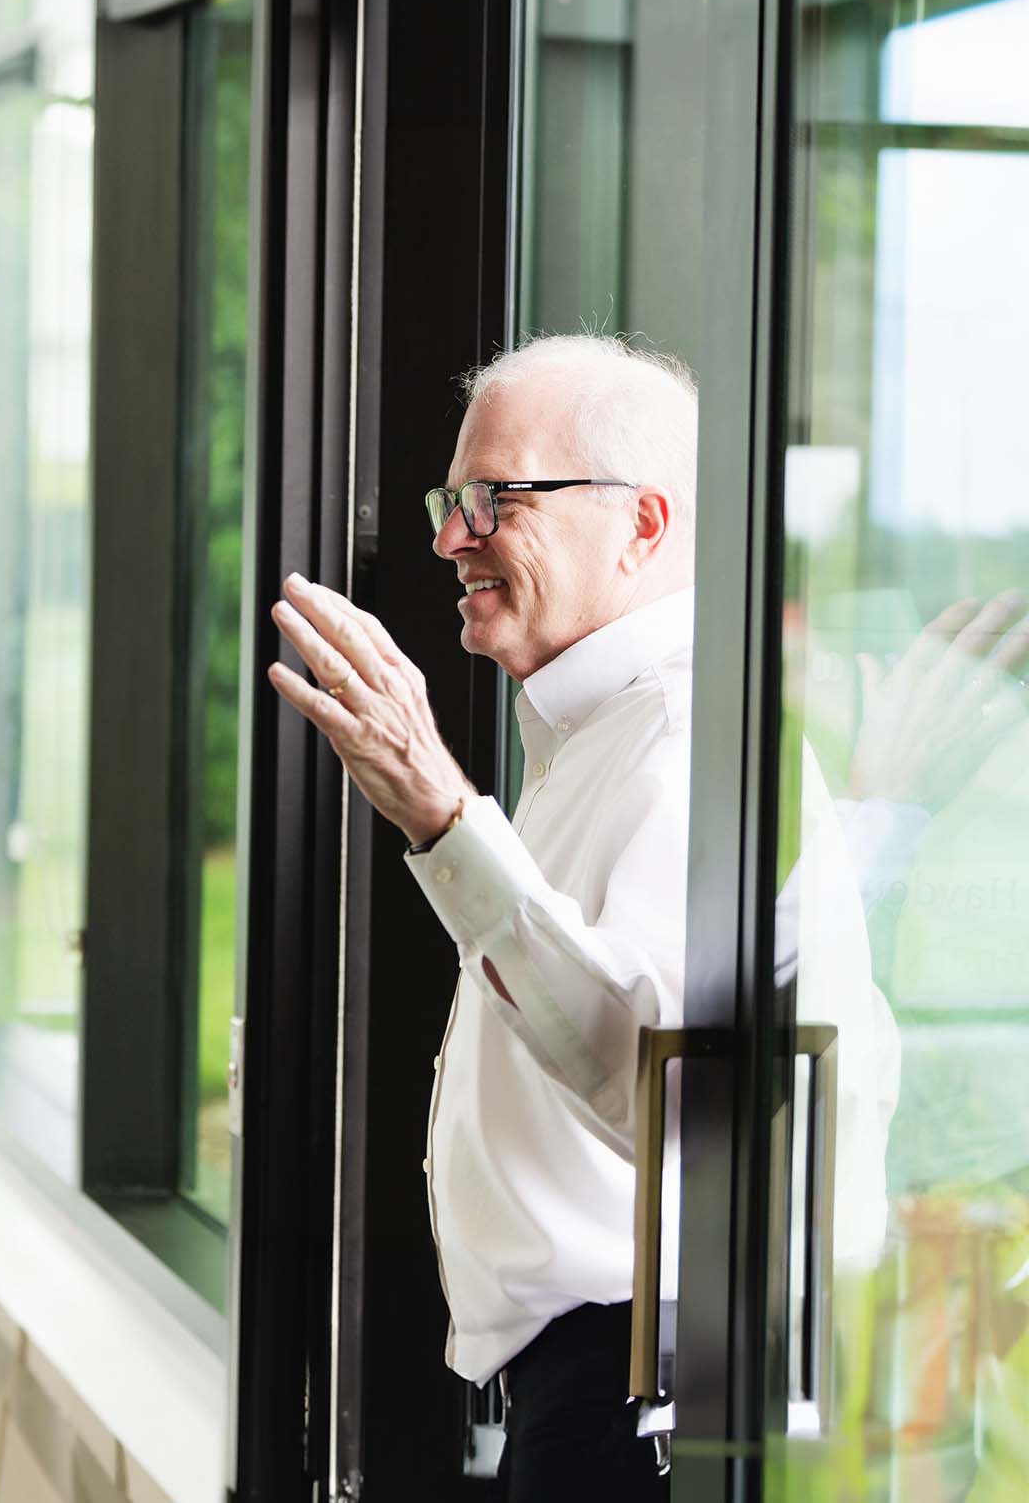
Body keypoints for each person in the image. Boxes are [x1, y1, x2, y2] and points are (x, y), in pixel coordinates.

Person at [269, 333, 697, 1500]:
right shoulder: (593, 736)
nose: (452, 537)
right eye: (452, 499)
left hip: (635, 1405)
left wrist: (441, 813)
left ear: (642, 525)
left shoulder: (692, 742)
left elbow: (657, 1080)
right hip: (577, 1397)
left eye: (496, 498)